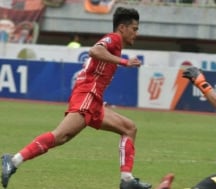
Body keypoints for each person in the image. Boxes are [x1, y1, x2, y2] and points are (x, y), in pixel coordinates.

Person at [1, 7, 152, 189]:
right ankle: (13, 160)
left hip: (93, 100)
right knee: (60, 136)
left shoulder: (116, 45)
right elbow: (95, 51)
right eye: (134, 29)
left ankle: (127, 180)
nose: (137, 33)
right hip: (87, 95)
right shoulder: (113, 39)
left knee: (129, 128)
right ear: (122, 28)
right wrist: (124, 62)